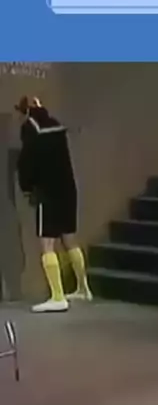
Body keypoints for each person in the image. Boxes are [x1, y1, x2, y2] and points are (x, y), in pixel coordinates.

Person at [16, 96, 92, 313]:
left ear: (25, 111)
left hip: (47, 191)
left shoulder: (30, 128)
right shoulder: (55, 124)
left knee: (47, 244)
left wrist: (26, 187)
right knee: (69, 239)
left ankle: (58, 296)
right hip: (67, 189)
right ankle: (83, 288)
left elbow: (27, 160)